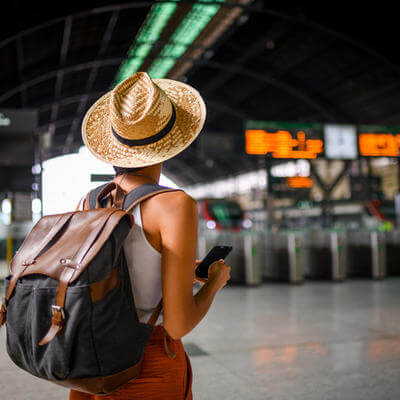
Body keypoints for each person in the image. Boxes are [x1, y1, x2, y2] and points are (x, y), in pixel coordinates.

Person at [69, 72, 231, 400]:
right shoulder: (175, 204)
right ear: (168, 143)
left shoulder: (88, 201)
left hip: (89, 361)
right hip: (146, 364)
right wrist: (213, 284)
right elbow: (176, 325)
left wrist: (181, 270)